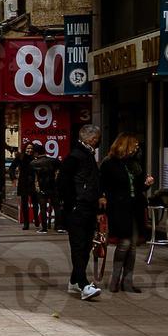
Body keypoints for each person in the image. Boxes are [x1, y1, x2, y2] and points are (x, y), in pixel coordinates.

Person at [99, 131, 152, 294]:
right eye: (134, 145)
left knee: (133, 246)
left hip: (135, 207)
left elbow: (138, 187)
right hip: (118, 207)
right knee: (125, 243)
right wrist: (102, 199)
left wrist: (147, 184)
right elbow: (102, 184)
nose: (137, 148)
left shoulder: (134, 164)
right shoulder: (109, 163)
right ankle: (115, 280)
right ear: (125, 145)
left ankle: (127, 281)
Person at [57, 123, 104, 300]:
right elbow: (63, 183)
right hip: (78, 208)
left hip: (87, 207)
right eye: (96, 139)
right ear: (90, 139)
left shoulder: (87, 155)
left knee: (85, 246)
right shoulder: (76, 156)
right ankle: (83, 284)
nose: (97, 142)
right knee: (79, 246)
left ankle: (74, 281)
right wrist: (73, 203)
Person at [10, 141, 40, 230]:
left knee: (35, 202)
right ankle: (26, 223)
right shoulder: (20, 157)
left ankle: (36, 218)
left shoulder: (36, 157)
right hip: (23, 181)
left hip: (33, 182)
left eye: (31, 148)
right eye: (28, 148)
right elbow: (12, 168)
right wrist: (13, 178)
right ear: (25, 149)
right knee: (24, 203)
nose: (29, 150)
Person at [32, 150, 60, 231]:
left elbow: (33, 175)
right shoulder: (53, 160)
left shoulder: (34, 163)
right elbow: (60, 168)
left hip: (42, 187)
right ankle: (58, 226)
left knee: (43, 208)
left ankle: (44, 228)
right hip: (53, 186)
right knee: (56, 207)